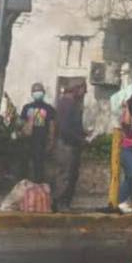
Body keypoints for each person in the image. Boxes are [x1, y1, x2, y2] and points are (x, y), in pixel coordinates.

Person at [53, 81, 87, 212]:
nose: (85, 93)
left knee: (69, 174)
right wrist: (80, 139)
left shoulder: (68, 103)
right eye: (84, 89)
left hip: (69, 143)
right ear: (76, 89)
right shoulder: (68, 104)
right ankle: (61, 203)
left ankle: (62, 202)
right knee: (66, 174)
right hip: (67, 144)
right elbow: (65, 128)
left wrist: (83, 133)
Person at [19, 82, 57, 184]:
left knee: (39, 165)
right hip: (27, 140)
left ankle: (38, 186)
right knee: (24, 164)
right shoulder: (26, 107)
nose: (37, 93)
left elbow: (52, 125)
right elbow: (21, 123)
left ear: (44, 93)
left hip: (41, 140)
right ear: (31, 93)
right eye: (35, 91)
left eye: (39, 91)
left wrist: (51, 140)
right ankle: (23, 185)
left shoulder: (48, 108)